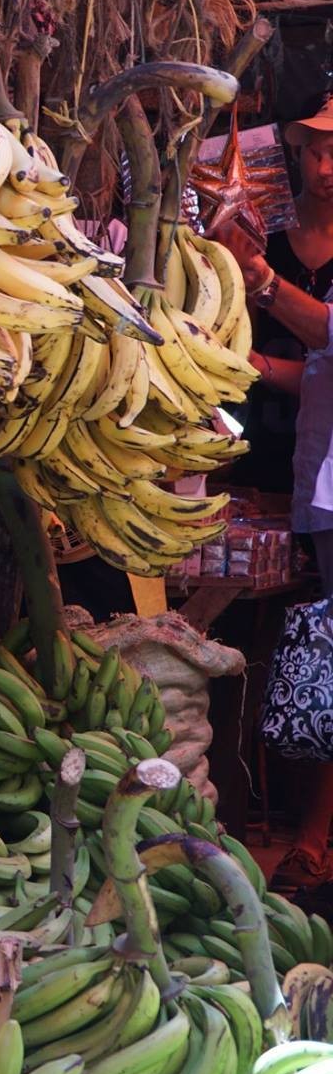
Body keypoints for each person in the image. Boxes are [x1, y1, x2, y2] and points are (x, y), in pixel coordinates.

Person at [217, 99, 333, 892]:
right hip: (306, 473)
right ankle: (279, 820)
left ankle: (316, 836)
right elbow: (317, 371)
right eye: (312, 150)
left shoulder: (276, 268)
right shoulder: (277, 222)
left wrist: (258, 280)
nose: (324, 168)